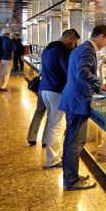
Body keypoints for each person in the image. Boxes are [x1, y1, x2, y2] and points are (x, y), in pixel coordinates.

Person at [59, 24, 106, 190]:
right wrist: (101, 83)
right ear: (101, 36)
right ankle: (72, 181)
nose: (105, 44)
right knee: (75, 142)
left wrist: (96, 87)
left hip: (72, 98)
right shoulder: (88, 50)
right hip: (77, 100)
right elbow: (82, 72)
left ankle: (70, 175)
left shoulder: (80, 48)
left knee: (70, 141)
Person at [37, 29, 80, 168]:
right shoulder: (61, 50)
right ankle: (53, 160)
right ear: (69, 39)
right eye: (74, 43)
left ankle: (54, 156)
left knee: (53, 123)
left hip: (45, 89)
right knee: (58, 126)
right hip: (56, 91)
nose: (74, 46)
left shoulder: (49, 48)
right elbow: (69, 72)